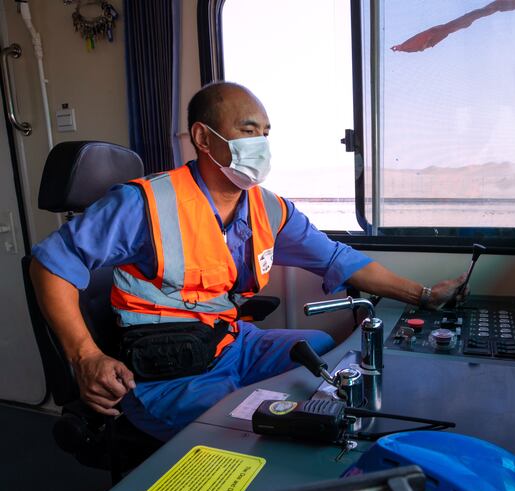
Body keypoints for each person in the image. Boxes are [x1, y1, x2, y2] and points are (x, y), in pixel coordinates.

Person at [30, 82, 466, 440]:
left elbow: (337, 257)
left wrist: (423, 295)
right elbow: (49, 264)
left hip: (233, 343)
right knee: (248, 433)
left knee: (320, 351)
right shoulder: (143, 203)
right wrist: (85, 356)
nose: (261, 144)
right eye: (248, 130)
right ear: (203, 138)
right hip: (170, 369)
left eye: (266, 132)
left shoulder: (268, 209)